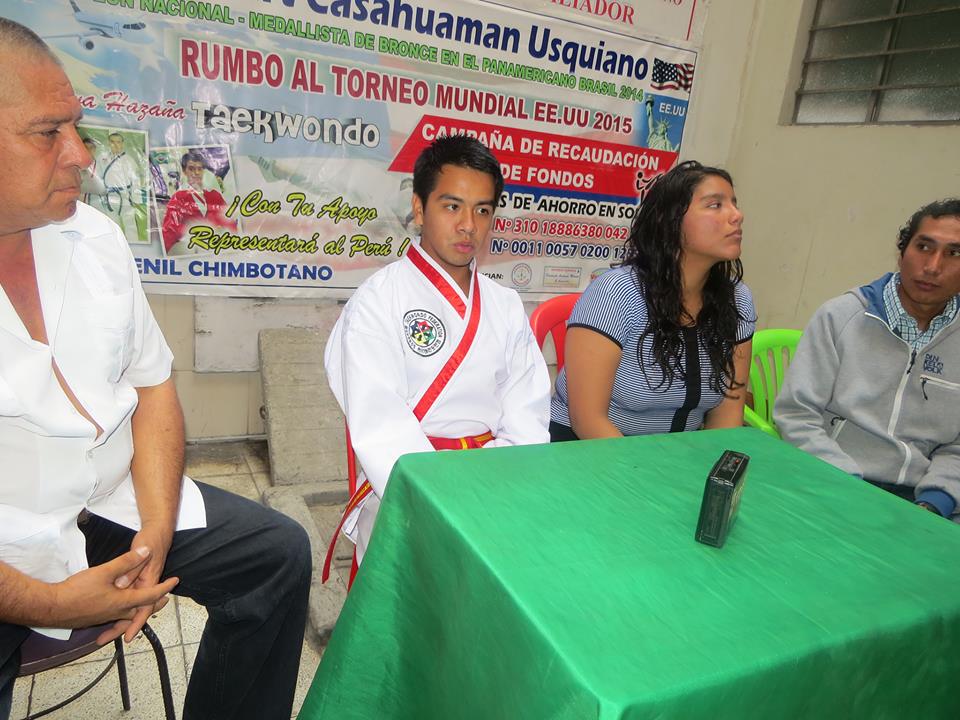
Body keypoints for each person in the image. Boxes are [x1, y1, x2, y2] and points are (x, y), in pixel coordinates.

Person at [0, 18, 310, 720]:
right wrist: (51, 603)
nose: (80, 154)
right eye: (48, 133)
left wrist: (156, 538)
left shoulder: (94, 236)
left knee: (276, 552)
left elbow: (154, 387)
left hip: (111, 506)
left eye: (76, 126)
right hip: (9, 551)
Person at [323, 135, 551, 566]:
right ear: (418, 207)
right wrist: (447, 494)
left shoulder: (504, 305)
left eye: (483, 210)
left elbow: (528, 414)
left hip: (496, 478)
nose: (469, 224)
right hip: (410, 486)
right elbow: (381, 427)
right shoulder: (377, 301)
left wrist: (488, 482)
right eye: (452, 206)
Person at [775, 199, 960, 521]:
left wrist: (935, 502)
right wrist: (846, 485)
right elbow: (796, 414)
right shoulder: (842, 316)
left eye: (953, 253)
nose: (932, 266)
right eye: (924, 246)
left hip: (923, 502)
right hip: (835, 483)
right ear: (902, 252)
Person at [550, 160, 755, 441]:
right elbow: (587, 420)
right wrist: (647, 479)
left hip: (679, 455)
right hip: (589, 449)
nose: (737, 215)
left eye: (734, 203)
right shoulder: (615, 293)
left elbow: (727, 415)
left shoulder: (738, 299)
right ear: (669, 220)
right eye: (715, 205)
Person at [161, 150, 237, 254]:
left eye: (199, 169)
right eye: (191, 169)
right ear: (184, 171)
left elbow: (230, 224)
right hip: (191, 253)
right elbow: (169, 234)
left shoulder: (215, 196)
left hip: (218, 252)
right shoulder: (178, 198)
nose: (196, 173)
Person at [92, 131, 147, 243]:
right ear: (108, 143)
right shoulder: (102, 158)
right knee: (112, 223)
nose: (115, 145)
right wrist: (99, 195)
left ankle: (133, 246)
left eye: (118, 142)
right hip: (109, 196)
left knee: (130, 224)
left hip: (125, 196)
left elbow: (135, 180)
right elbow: (98, 177)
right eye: (112, 142)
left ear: (122, 143)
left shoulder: (129, 160)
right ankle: (114, 246)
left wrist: (136, 198)